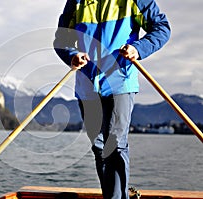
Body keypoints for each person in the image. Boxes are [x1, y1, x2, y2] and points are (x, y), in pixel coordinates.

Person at [53, 0, 171, 199]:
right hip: (87, 86)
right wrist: (72, 55)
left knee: (114, 145)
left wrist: (138, 48)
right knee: (99, 147)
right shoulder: (76, 1)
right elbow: (62, 39)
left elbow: (161, 28)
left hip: (120, 82)